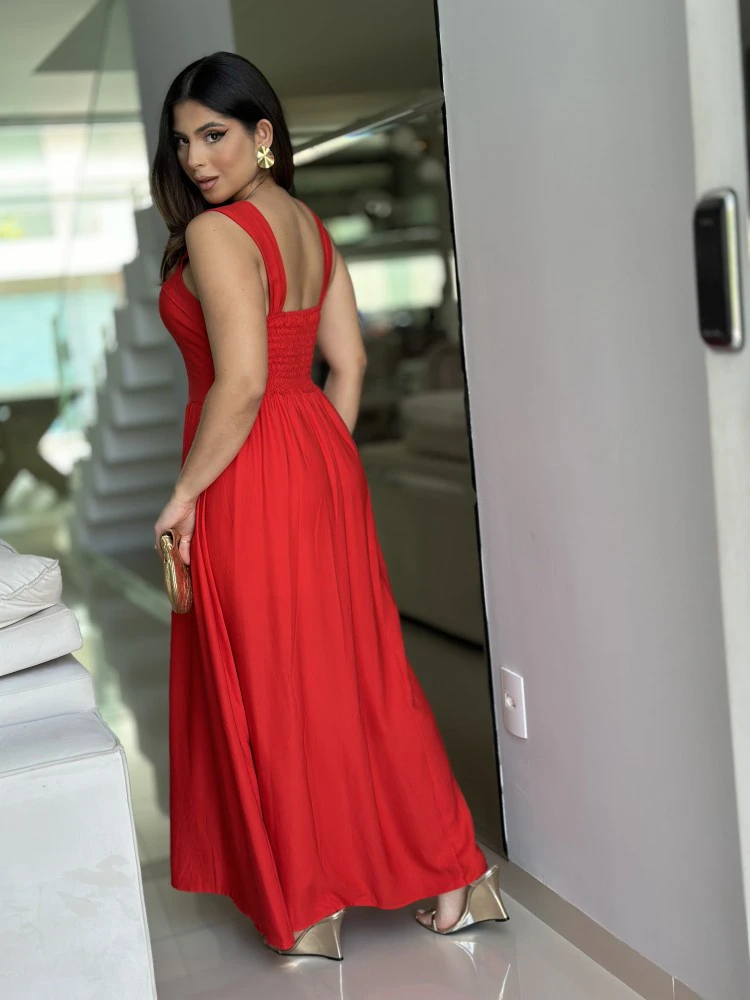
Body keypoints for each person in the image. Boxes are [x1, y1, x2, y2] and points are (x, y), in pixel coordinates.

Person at [151, 51, 508, 960]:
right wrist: (319, 463)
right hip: (317, 455)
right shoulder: (309, 225)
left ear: (263, 134)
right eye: (183, 141)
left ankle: (311, 901)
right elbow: (347, 365)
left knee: (273, 679)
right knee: (358, 674)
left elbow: (239, 384)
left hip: (245, 468)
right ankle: (459, 873)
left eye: (215, 135)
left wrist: (184, 494)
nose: (196, 158)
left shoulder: (219, 233)